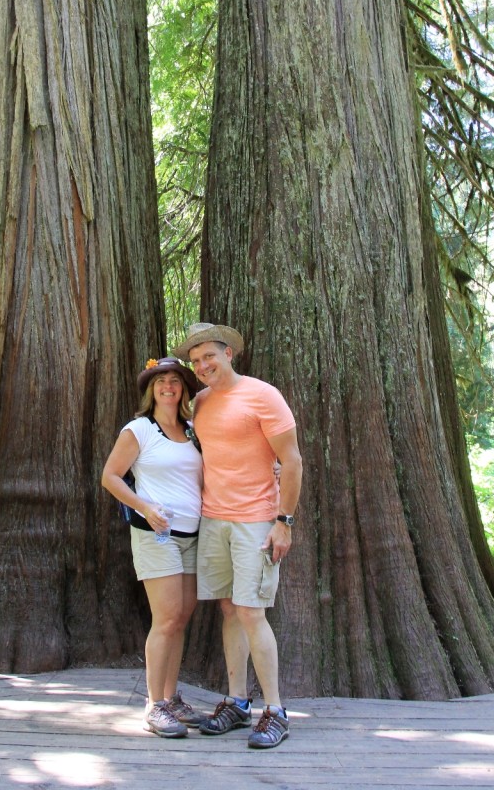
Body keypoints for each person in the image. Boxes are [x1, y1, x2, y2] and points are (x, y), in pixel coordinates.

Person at [171, 321, 303, 750]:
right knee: (229, 609)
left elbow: (293, 461)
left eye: (209, 355)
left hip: (256, 521)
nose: (202, 365)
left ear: (229, 353)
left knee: (252, 612)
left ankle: (276, 711)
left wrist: (284, 522)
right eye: (195, 360)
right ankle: (237, 701)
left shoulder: (263, 396)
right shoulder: (202, 402)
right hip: (214, 518)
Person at [102, 356, 205, 739]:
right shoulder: (139, 430)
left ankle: (171, 697)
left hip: (192, 534)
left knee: (180, 619)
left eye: (175, 381)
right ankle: (154, 705)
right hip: (154, 532)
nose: (168, 386)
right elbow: (110, 476)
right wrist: (144, 506)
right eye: (161, 380)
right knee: (166, 618)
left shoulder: (194, 431)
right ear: (151, 389)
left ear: (183, 390)